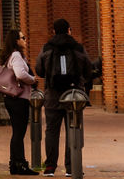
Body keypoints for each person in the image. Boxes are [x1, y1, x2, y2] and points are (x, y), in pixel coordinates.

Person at [35, 18, 93, 176]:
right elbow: (88, 69)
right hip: (74, 97)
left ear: (53, 31)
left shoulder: (46, 48)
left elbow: (39, 70)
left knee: (52, 131)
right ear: (69, 30)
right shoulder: (78, 48)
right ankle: (71, 166)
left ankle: (50, 167)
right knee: (73, 129)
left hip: (52, 96)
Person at [0, 28, 38, 175]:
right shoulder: (16, 55)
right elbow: (20, 74)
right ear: (16, 41)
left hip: (13, 98)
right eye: (23, 37)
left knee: (17, 132)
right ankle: (20, 164)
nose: (25, 40)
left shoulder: (11, 55)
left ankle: (14, 164)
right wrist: (33, 79)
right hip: (18, 99)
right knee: (19, 133)